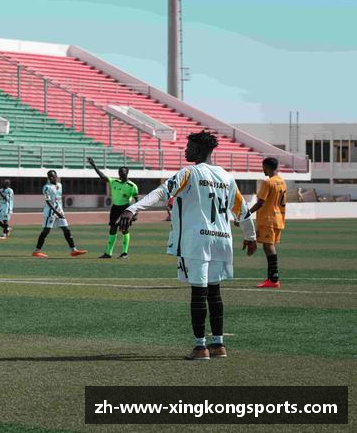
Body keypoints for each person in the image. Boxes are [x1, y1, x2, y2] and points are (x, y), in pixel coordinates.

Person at [118, 131, 257, 360]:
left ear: (199, 150)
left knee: (199, 292)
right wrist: (250, 236)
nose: (186, 150)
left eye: (189, 146)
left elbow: (162, 192)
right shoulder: (227, 177)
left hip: (197, 239)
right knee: (214, 291)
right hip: (221, 238)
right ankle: (218, 344)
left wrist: (132, 208)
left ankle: (200, 347)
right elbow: (242, 210)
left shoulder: (189, 173)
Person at [88, 158, 138, 258]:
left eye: (123, 172)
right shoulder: (114, 182)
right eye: (119, 172)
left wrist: (135, 213)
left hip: (125, 209)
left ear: (127, 172)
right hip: (115, 208)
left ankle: (125, 253)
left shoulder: (132, 186)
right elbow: (102, 177)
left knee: (124, 229)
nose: (121, 173)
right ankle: (108, 253)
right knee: (112, 229)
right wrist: (94, 165)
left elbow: (137, 200)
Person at [33, 170, 87, 258]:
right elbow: (48, 201)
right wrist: (56, 212)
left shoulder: (59, 185)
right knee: (46, 231)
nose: (53, 178)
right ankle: (36, 251)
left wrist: (60, 211)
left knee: (66, 230)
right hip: (50, 212)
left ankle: (73, 250)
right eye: (51, 176)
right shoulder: (46, 187)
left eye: (54, 176)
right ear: (49, 178)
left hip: (60, 211)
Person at [250, 157, 287, 288]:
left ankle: (274, 279)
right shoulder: (282, 181)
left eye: (263, 167)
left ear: (267, 167)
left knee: (269, 246)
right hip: (278, 218)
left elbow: (261, 202)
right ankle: (272, 278)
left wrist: (247, 213)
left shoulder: (268, 182)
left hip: (268, 219)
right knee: (268, 246)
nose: (263, 170)